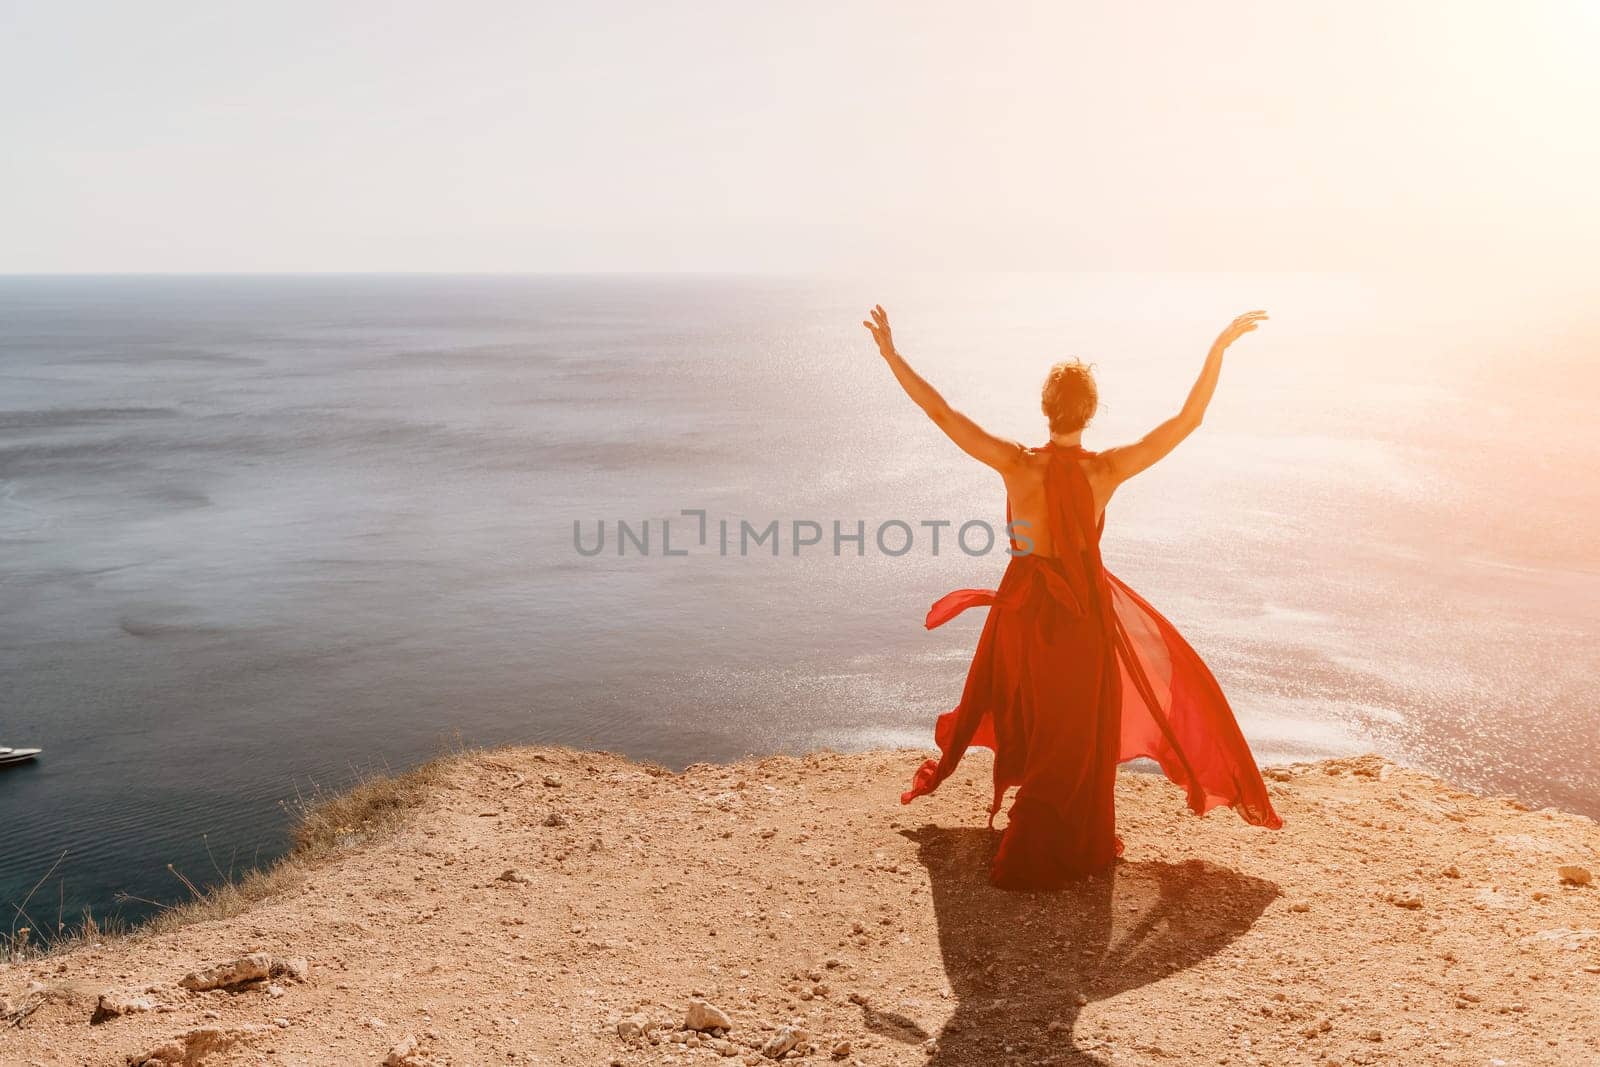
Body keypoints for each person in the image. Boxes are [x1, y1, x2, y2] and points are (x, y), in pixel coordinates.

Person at [864, 304, 1283, 890]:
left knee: (1032, 714)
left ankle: (1036, 824)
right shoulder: (1106, 470)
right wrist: (1217, 349)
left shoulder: (1016, 464)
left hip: (1024, 609)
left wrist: (891, 355)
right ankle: (1056, 832)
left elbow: (940, 411)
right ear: (1090, 412)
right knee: (1075, 727)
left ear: (1046, 407)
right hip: (1084, 613)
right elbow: (1187, 421)